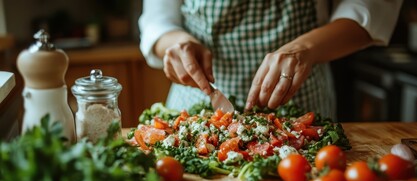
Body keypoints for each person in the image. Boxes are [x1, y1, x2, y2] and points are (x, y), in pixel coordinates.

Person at [139, 0, 403, 119]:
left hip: (301, 104)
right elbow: (157, 19)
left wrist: (305, 49)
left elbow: (371, 9)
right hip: (197, 104)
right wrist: (175, 43)